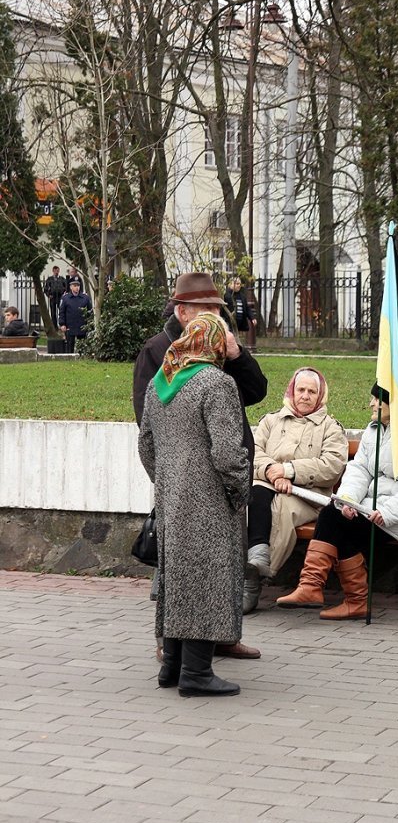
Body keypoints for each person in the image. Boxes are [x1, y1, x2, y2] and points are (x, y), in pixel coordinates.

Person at [133, 272, 268, 660]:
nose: (216, 315)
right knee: (178, 561)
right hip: (186, 476)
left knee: (224, 562)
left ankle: (221, 636)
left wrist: (237, 355)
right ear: (182, 310)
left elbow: (256, 391)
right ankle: (171, 645)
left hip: (224, 474)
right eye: (207, 309)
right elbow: (148, 421)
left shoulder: (221, 347)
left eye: (218, 309)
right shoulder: (158, 350)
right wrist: (168, 479)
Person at [138, 313, 251, 696]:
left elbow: (146, 446)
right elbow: (227, 452)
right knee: (207, 578)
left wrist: (167, 481)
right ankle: (197, 673)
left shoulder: (159, 384)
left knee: (177, 578)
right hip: (209, 496)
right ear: (216, 343)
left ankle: (172, 666)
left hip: (171, 496)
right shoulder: (216, 383)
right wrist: (239, 490)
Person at [276, 382, 398, 620]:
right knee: (334, 512)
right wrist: (348, 499)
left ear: (395, 404)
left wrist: (388, 512)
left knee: (344, 526)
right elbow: (359, 470)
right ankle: (311, 588)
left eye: (378, 400)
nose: (371, 404)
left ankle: (350, 599)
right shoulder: (375, 429)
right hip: (371, 506)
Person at [244, 367, 348, 614]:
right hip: (268, 483)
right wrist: (271, 470)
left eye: (312, 391)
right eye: (301, 389)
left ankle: (256, 577)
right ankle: (256, 557)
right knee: (256, 494)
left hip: (308, 496)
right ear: (292, 391)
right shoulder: (271, 420)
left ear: (320, 396)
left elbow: (332, 465)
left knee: (282, 506)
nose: (305, 396)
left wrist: (289, 471)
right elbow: (253, 452)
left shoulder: (330, 427)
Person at [59, 280, 93, 353]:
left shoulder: (85, 298)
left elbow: (90, 311)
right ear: (71, 287)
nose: (77, 288)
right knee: (70, 345)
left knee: (82, 346)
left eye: (78, 286)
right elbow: (62, 312)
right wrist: (62, 324)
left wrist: (89, 324)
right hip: (70, 325)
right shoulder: (65, 298)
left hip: (82, 325)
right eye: (75, 286)